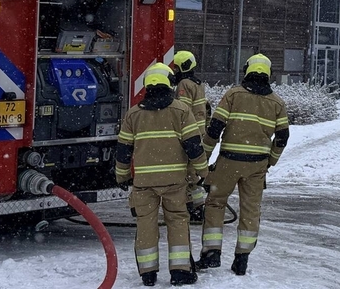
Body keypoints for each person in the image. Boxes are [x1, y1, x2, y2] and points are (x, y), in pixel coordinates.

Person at [116, 62, 208, 287]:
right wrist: (203, 172)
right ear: (169, 83)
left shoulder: (133, 114)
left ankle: (148, 274)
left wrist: (122, 176)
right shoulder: (180, 110)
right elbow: (193, 145)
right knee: (177, 222)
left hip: (144, 184)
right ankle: (180, 272)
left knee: (146, 225)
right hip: (175, 183)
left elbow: (123, 150)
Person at [197, 54, 289, 276]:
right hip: (256, 166)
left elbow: (214, 127)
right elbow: (283, 136)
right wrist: (271, 161)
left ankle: (211, 253)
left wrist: (203, 160)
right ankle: (242, 259)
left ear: (247, 70)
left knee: (215, 203)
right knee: (250, 209)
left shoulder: (233, 94)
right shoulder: (277, 102)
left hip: (229, 161)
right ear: (268, 73)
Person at [171, 51, 210, 221]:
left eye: (177, 68)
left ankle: (193, 208)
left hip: (188, 132)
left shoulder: (185, 84)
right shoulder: (197, 84)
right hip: (198, 131)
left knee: (188, 174)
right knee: (193, 171)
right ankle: (198, 206)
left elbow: (181, 110)